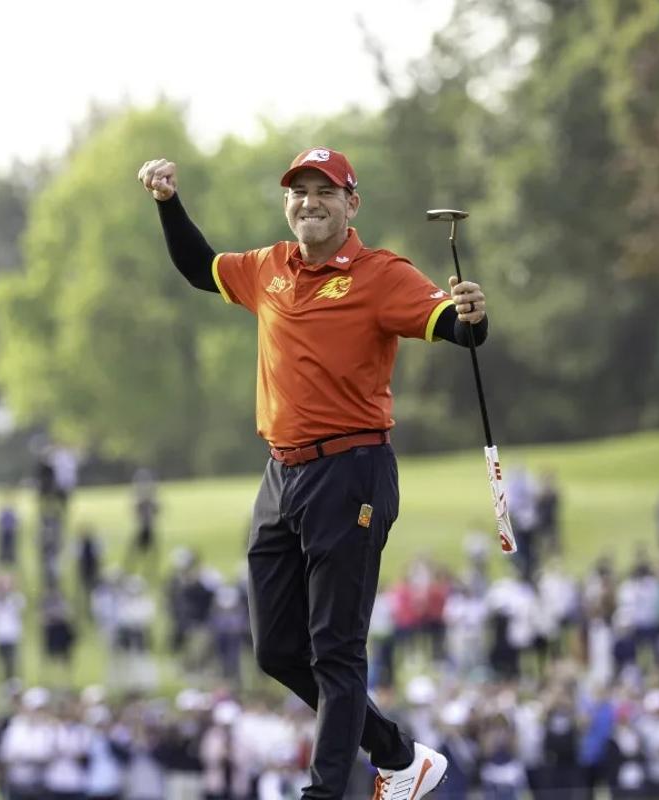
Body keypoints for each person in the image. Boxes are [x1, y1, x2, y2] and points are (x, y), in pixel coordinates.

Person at [138, 146, 492, 798]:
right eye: (299, 191)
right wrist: (168, 204)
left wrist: (473, 314)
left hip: (351, 470)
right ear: (287, 203)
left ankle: (326, 794)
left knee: (335, 650)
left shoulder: (381, 273)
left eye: (324, 191)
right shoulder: (269, 268)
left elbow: (454, 324)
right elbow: (198, 267)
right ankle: (398, 755)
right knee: (277, 650)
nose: (310, 201)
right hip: (281, 476)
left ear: (350, 203)